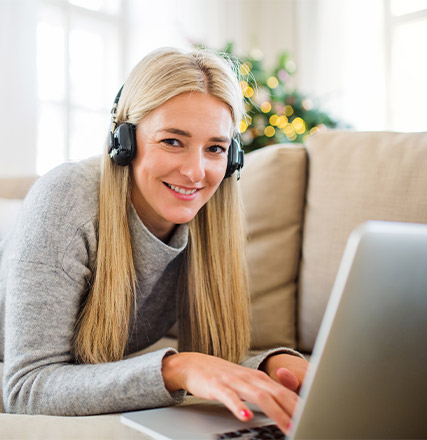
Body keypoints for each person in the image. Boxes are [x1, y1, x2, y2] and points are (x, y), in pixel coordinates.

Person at [0, 47, 308, 434]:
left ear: (233, 160)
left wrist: (268, 369)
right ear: (124, 142)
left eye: (215, 148)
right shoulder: (66, 197)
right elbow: (27, 388)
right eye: (173, 141)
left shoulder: (208, 220)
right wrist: (175, 367)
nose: (196, 172)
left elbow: (212, 361)